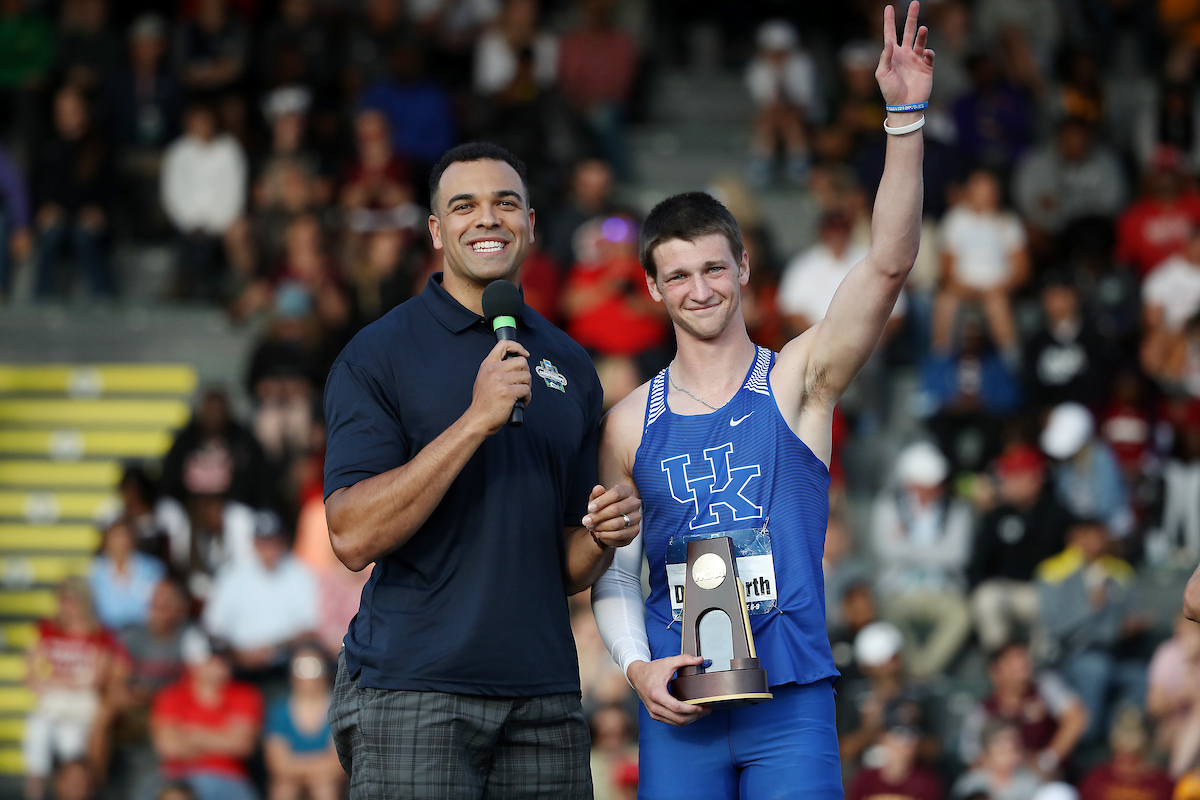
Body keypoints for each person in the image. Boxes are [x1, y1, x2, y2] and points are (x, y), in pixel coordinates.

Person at [590, 4, 933, 795]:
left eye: (714, 268)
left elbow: (888, 263)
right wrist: (635, 667)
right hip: (679, 703)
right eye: (678, 275)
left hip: (791, 700)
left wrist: (905, 117)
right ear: (652, 289)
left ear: (744, 267)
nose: (699, 288)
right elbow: (615, 575)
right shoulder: (625, 424)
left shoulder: (798, 378)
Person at [322, 141, 641, 799]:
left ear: (531, 224)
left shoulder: (569, 363)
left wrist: (601, 536)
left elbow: (564, 569)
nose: (487, 219)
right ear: (437, 231)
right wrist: (474, 421)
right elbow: (351, 536)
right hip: (415, 686)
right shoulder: (378, 353)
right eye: (464, 206)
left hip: (544, 695)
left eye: (505, 204)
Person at [264, 648, 343, 800]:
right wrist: (317, 767)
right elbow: (277, 765)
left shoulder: (339, 710)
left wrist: (295, 767)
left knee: (323, 787)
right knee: (284, 788)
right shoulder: (279, 709)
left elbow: (337, 765)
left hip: (328, 783)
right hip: (290, 781)